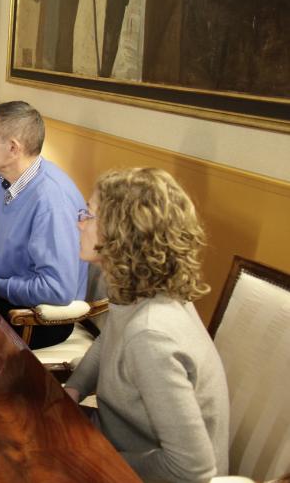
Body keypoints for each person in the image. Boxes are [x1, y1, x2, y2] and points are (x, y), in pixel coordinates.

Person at [64, 167, 229, 482]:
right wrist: (74, 388)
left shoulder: (152, 335)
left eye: (90, 216)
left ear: (123, 234)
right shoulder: (140, 289)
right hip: (117, 440)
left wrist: (96, 459)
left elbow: (192, 469)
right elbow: (109, 338)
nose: (79, 223)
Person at [0, 101, 86, 349]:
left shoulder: (50, 200)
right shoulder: (7, 181)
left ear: (13, 148)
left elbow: (57, 290)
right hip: (4, 296)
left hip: (36, 319)